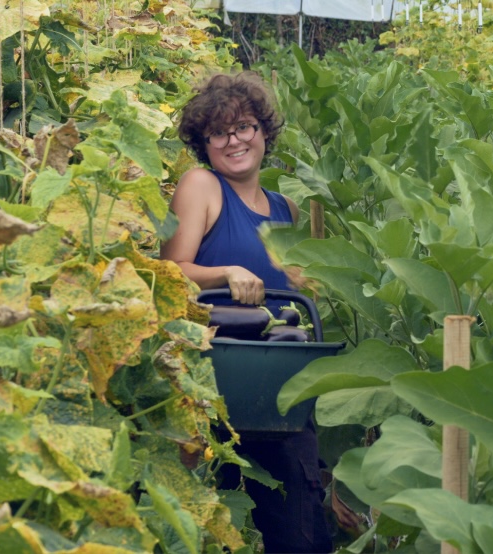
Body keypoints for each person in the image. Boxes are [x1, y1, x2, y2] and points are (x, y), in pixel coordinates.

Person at [161, 71, 333, 553]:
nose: (233, 140)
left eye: (244, 127)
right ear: (204, 143)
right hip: (213, 383)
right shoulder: (202, 186)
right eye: (218, 132)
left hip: (279, 391)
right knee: (203, 527)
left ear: (263, 132)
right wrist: (224, 273)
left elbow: (299, 294)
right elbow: (168, 272)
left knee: (301, 531)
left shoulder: (288, 210)